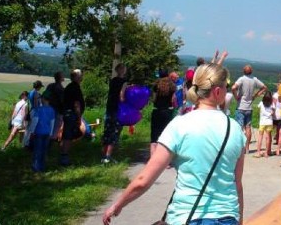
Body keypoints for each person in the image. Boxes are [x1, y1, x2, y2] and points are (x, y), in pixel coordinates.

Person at [102, 64, 246, 225]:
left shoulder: (179, 125)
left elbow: (144, 180)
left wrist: (118, 205)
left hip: (186, 216)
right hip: (227, 217)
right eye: (226, 87)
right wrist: (239, 220)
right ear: (218, 92)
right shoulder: (235, 129)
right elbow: (237, 184)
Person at [232, 64, 267, 154]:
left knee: (239, 128)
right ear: (251, 71)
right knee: (248, 128)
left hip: (240, 106)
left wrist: (236, 97)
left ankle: (240, 148)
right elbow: (264, 87)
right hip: (249, 107)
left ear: (244, 71)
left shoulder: (242, 79)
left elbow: (233, 87)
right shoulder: (254, 79)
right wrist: (256, 95)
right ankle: (247, 148)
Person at [101, 63, 128, 164]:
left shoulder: (112, 80)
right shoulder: (123, 82)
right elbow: (121, 96)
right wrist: (126, 102)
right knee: (114, 132)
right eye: (124, 69)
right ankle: (108, 157)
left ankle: (103, 156)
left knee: (107, 131)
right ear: (122, 70)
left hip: (109, 107)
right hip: (117, 109)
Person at [149, 69, 176, 160]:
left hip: (157, 111)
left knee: (154, 135)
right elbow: (173, 100)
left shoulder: (156, 85)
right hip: (167, 111)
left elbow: (154, 99)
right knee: (166, 135)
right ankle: (165, 160)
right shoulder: (172, 85)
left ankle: (153, 157)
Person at [60, 69, 85, 166]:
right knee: (68, 136)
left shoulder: (69, 87)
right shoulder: (75, 87)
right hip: (71, 114)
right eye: (80, 75)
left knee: (66, 135)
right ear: (77, 77)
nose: (82, 77)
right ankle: (64, 159)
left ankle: (63, 155)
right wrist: (79, 118)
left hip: (67, 113)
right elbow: (76, 104)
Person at [30, 95, 56, 172]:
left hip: (38, 132)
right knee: (44, 150)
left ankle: (36, 167)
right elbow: (52, 122)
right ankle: (42, 167)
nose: (40, 100)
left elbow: (35, 120)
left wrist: (31, 132)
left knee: (37, 150)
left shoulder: (39, 109)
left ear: (44, 99)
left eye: (41, 98)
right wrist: (51, 133)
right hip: (47, 133)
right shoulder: (52, 109)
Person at [43, 71, 65, 139]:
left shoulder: (50, 86)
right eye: (62, 76)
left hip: (49, 110)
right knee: (55, 129)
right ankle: (50, 144)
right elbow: (63, 101)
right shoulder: (61, 89)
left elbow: (44, 96)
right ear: (61, 78)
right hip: (58, 111)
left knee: (47, 127)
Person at [255, 92, 275, 157]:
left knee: (260, 137)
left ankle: (258, 152)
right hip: (269, 122)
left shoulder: (261, 103)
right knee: (268, 137)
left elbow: (259, 108)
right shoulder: (272, 104)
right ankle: (266, 152)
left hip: (262, 122)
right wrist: (270, 114)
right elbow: (273, 111)